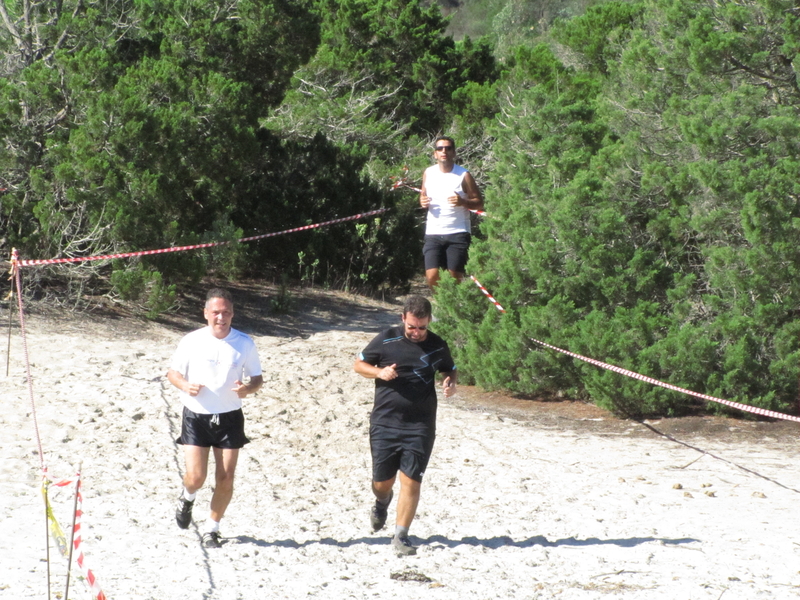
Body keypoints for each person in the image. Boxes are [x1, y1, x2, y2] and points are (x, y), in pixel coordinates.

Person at [353, 295, 457, 556]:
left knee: (411, 481)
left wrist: (449, 381)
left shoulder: (437, 345)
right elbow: (359, 364)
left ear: (429, 322)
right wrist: (379, 372)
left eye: (422, 327)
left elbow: (449, 368)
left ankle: (401, 535)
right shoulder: (386, 338)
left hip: (421, 425)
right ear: (403, 319)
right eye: (412, 326)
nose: (417, 332)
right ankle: (381, 502)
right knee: (382, 482)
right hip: (385, 422)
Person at [167, 288, 263, 548]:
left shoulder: (244, 342)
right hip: (196, 415)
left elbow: (257, 379)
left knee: (225, 478)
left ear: (232, 315)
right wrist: (185, 386)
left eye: (227, 313)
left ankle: (212, 528)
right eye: (216, 312)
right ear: (206, 314)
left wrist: (248, 388)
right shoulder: (191, 340)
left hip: (230, 417)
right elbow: (173, 373)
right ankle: (187, 498)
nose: (221, 317)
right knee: (196, 477)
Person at [419, 136, 484, 288]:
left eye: (448, 148)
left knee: (454, 276)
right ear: (435, 154)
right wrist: (422, 202)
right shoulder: (428, 173)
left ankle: (453, 308)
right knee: (432, 275)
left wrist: (463, 202)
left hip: (457, 232)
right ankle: (440, 306)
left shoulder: (463, 175)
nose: (444, 151)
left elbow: (479, 203)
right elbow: (423, 195)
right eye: (440, 149)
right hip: (433, 232)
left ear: (454, 153)